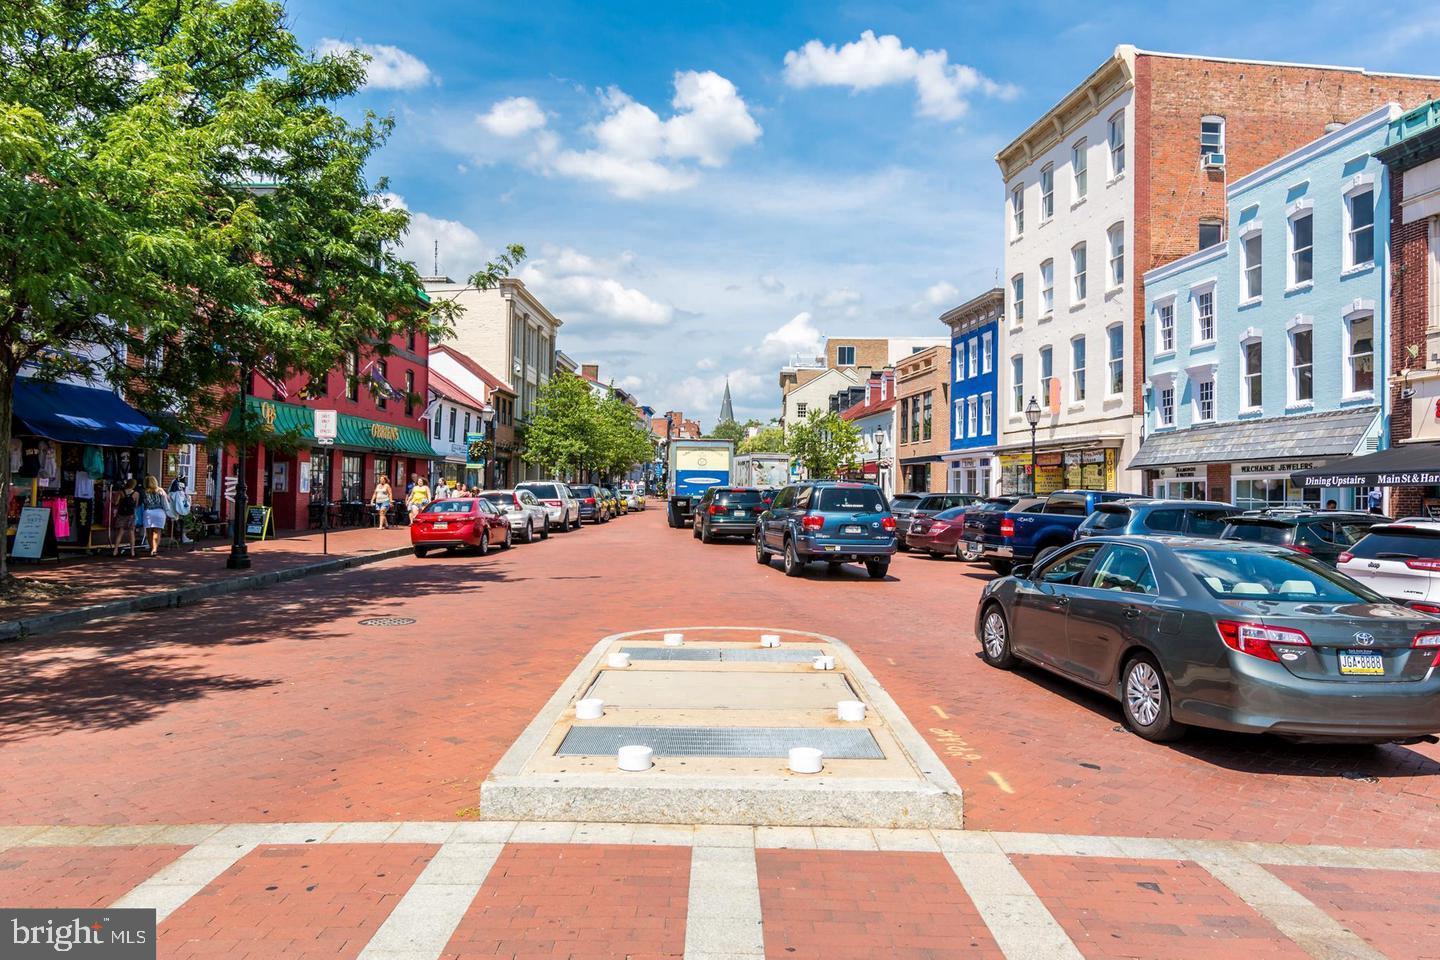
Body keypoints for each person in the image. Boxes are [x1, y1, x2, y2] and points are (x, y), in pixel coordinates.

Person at [140, 474, 169, 556]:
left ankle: (151, 547)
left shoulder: (144, 491)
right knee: (157, 532)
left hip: (148, 512)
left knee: (149, 532)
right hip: (159, 512)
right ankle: (155, 549)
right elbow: (166, 501)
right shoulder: (160, 490)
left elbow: (141, 503)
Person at [112, 479, 140, 556]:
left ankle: (115, 550)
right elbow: (136, 505)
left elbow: (116, 503)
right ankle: (132, 552)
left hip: (122, 514)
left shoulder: (121, 492)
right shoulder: (136, 493)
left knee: (120, 532)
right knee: (131, 532)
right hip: (131, 514)